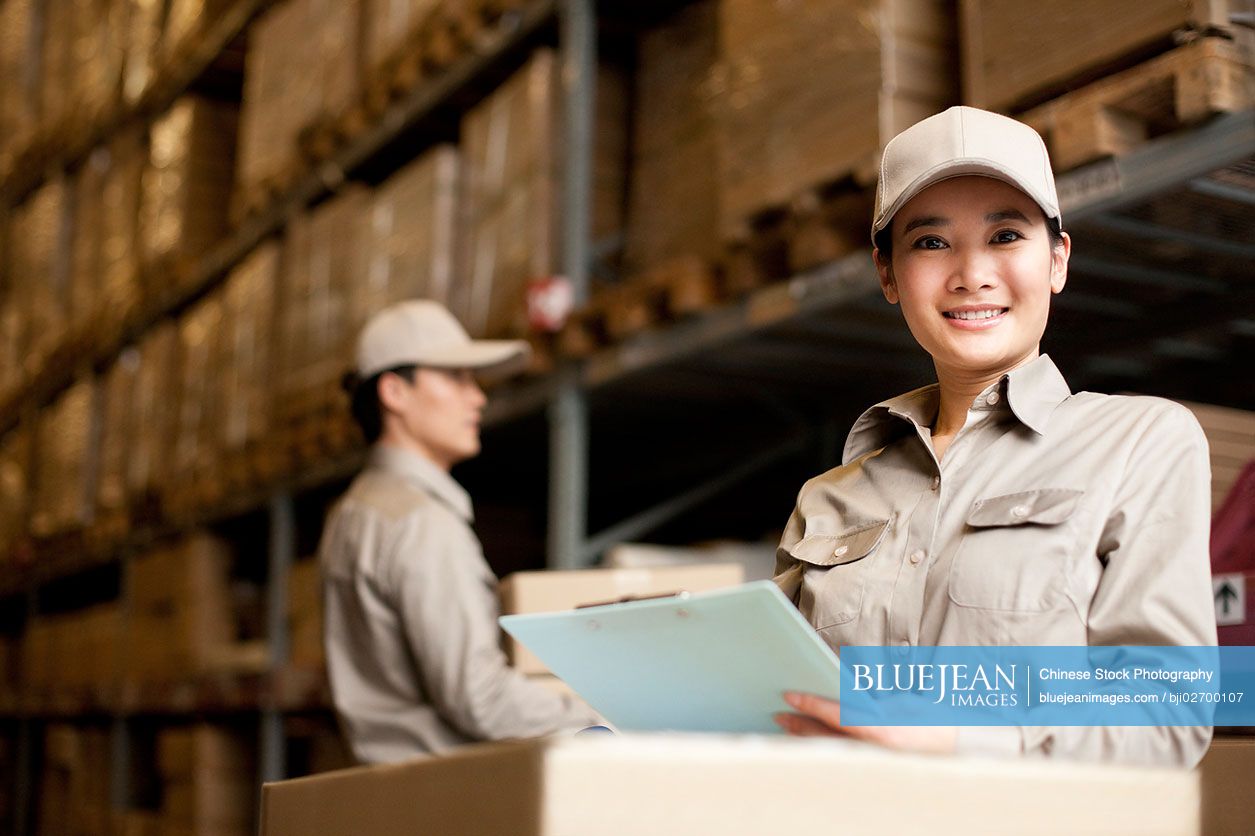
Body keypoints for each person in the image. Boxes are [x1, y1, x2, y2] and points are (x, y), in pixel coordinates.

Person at [771, 106, 1217, 766]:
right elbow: (779, 706)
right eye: (929, 242)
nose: (971, 274)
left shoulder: (1140, 442)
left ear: (1056, 261)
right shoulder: (830, 499)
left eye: (1005, 235)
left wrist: (954, 741)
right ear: (887, 275)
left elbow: (1165, 718)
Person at [319, 299, 599, 763]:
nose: (478, 397)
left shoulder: (354, 512)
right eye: (456, 378)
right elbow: (480, 698)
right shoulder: (420, 522)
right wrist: (599, 719)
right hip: (439, 804)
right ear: (394, 392)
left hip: (386, 796)